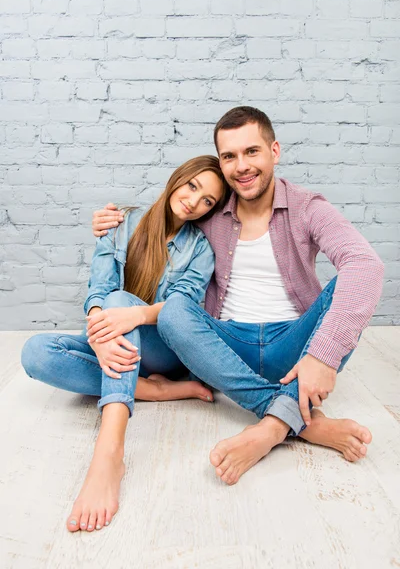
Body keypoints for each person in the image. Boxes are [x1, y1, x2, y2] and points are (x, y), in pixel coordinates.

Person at [93, 106, 384, 487]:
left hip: (294, 347)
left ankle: (271, 429)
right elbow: (167, 212)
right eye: (229, 156)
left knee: (348, 287)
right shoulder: (209, 210)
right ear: (221, 163)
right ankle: (290, 418)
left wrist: (321, 356)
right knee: (174, 311)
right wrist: (111, 221)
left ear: (274, 152)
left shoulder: (307, 207)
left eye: (252, 152)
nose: (241, 166)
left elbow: (366, 264)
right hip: (224, 347)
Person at [21, 155, 229, 533]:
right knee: (35, 352)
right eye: (193, 186)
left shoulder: (200, 249)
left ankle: (109, 451)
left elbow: (181, 308)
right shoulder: (123, 222)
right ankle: (150, 390)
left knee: (121, 301)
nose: (195, 202)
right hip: (115, 342)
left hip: (160, 348)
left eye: (208, 201)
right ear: (178, 179)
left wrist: (132, 315)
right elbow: (98, 290)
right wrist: (100, 334)